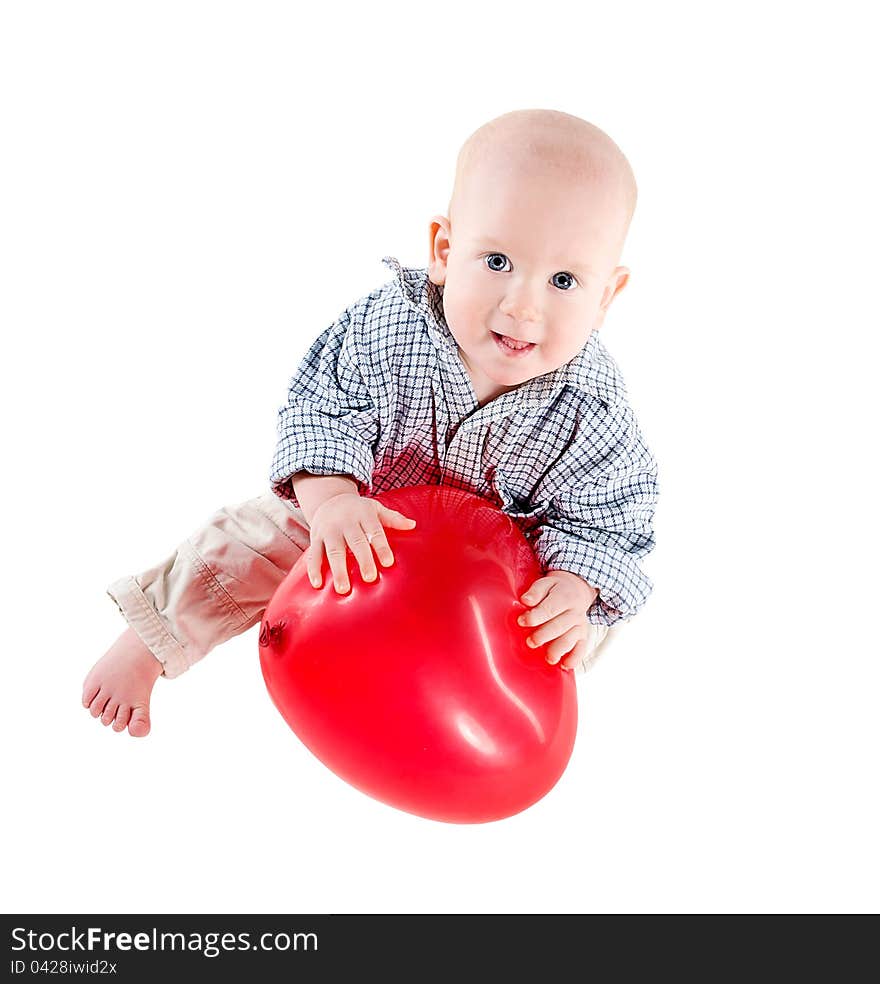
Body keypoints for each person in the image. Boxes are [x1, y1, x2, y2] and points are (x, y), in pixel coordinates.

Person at [83, 108, 658, 737]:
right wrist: (332, 502)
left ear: (606, 297)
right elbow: (321, 408)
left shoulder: (594, 408)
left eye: (565, 280)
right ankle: (152, 641)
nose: (523, 305)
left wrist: (575, 589)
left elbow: (612, 514)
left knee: (573, 628)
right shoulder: (391, 328)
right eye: (497, 261)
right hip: (367, 517)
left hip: (492, 576)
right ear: (444, 250)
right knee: (251, 542)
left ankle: (451, 720)